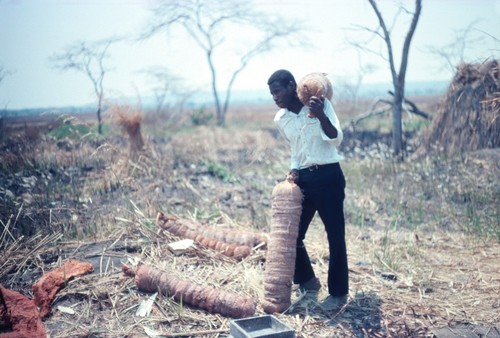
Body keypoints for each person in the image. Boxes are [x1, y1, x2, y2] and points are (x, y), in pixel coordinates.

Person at [267, 69, 348, 310]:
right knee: (293, 236)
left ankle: (338, 294)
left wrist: (321, 115)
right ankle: (307, 281)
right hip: (303, 180)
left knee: (335, 236)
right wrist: (294, 169)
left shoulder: (320, 104)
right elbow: (296, 149)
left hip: (329, 177)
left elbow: (336, 139)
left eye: (278, 91)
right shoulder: (280, 120)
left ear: (292, 86)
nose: (275, 97)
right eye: (271, 93)